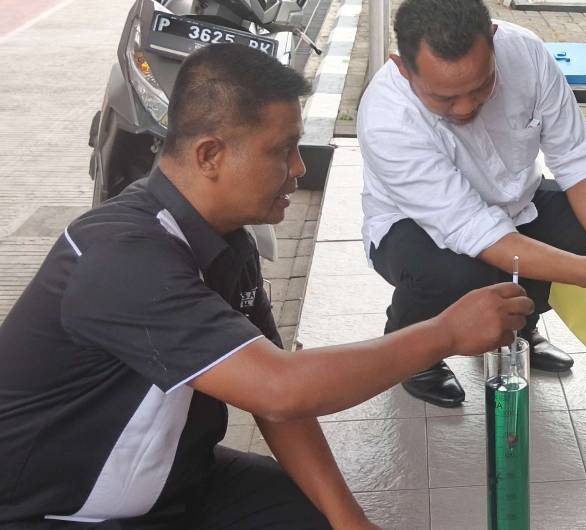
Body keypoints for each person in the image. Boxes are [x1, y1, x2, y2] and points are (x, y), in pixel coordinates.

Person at [0, 44, 532, 529]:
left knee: (318, 515)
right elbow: (280, 386)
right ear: (210, 155)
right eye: (283, 149)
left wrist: (351, 522)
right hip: (52, 513)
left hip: (180, 484)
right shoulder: (121, 256)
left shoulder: (227, 241)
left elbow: (279, 405)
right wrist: (444, 334)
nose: (298, 168)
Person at [358, 0, 586, 408]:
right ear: (402, 68)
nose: (465, 108)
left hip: (516, 204)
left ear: (493, 38)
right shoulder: (386, 117)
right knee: (465, 274)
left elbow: (575, 157)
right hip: (413, 229)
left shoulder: (525, 52)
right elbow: (475, 231)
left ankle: (519, 328)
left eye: (481, 87)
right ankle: (413, 345)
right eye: (444, 98)